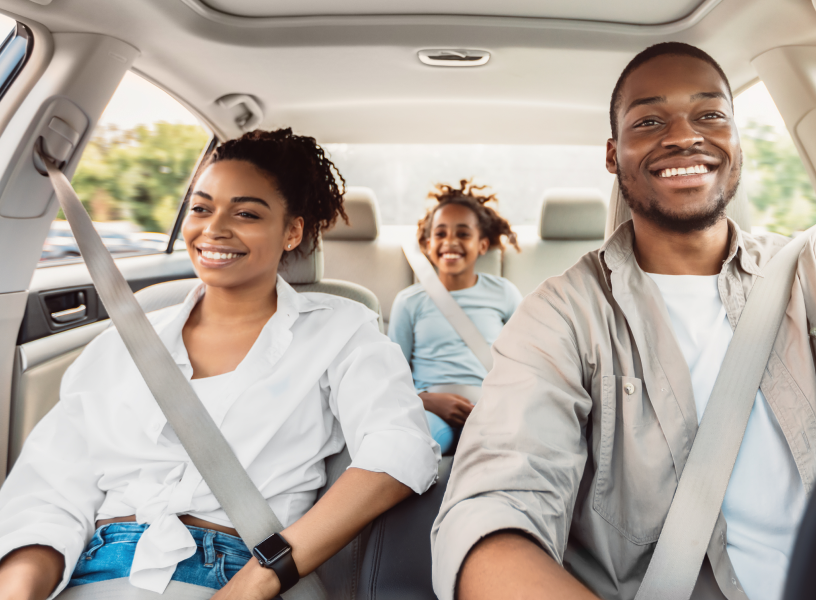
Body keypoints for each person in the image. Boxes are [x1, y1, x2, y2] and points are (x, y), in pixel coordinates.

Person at [431, 43, 816, 600]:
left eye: (710, 114)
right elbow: (492, 516)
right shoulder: (560, 315)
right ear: (613, 155)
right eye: (650, 121)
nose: (684, 135)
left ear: (737, 140)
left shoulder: (803, 275)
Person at [0, 128, 440, 600]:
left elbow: (401, 449)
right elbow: (48, 491)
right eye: (201, 208)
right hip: (92, 569)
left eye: (246, 213)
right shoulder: (121, 343)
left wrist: (260, 578)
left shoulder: (341, 330)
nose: (214, 228)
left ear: (292, 232)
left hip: (236, 569)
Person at [388, 180, 522, 454]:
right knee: (414, 446)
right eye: (440, 234)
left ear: (482, 245)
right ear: (428, 245)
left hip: (490, 408)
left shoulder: (504, 293)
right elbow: (391, 376)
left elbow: (525, 363)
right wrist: (426, 401)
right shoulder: (409, 301)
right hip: (430, 409)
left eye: (463, 234)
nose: (450, 241)